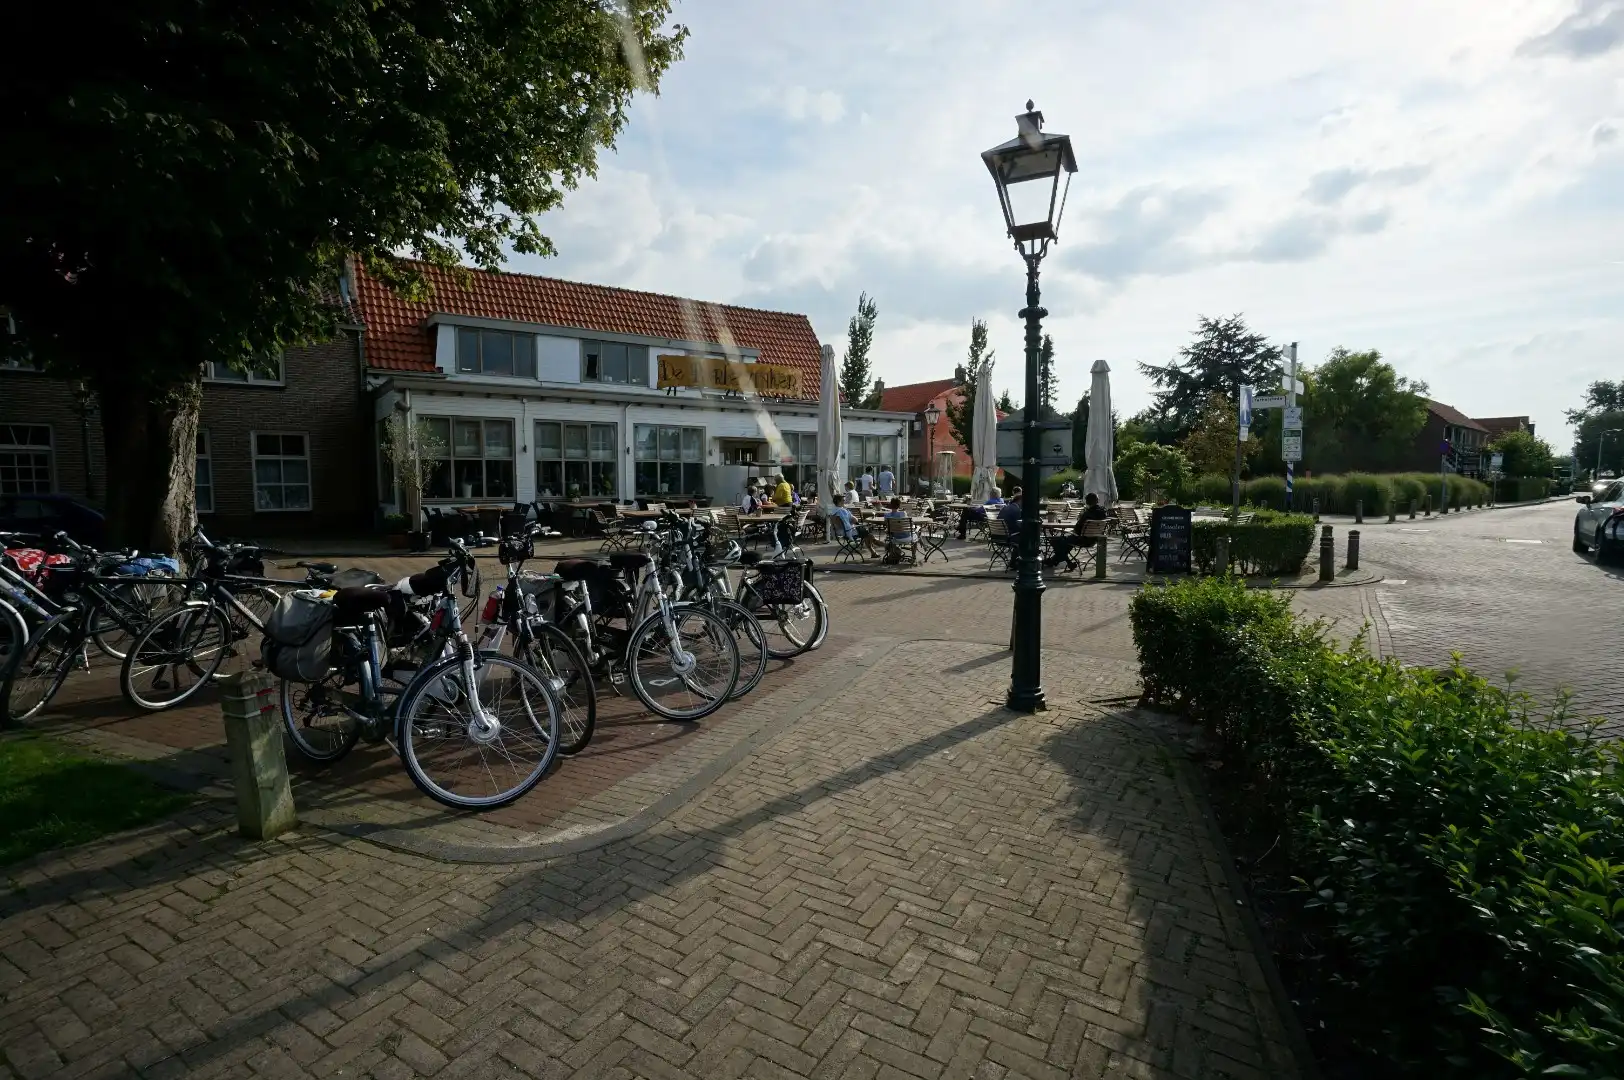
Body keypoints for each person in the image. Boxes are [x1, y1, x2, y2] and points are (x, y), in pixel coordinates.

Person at [1045, 492, 1109, 569]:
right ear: (1097, 501)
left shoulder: (1087, 513)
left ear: (1087, 502)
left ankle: (1067, 562)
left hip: (1082, 540)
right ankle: (1053, 561)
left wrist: (1071, 531)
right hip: (1095, 540)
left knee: (1054, 540)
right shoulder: (1103, 513)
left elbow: (1077, 530)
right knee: (1065, 544)